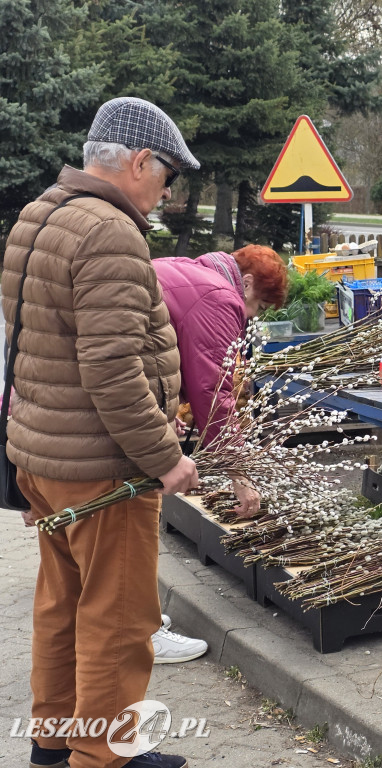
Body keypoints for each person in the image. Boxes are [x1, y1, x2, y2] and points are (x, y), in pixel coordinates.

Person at [2, 97, 201, 768]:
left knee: (63, 606)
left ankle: (54, 745)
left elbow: (29, 344)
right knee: (119, 622)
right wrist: (166, 458)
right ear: (140, 162)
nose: (167, 194)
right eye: (168, 177)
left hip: (46, 459)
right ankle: (104, 757)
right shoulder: (109, 231)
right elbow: (113, 372)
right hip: (103, 468)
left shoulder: (40, 214)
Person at [147, 244, 287, 665]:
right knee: (131, 524)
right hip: (117, 423)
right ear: (245, 284)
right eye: (259, 305)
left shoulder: (190, 269)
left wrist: (172, 405)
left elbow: (178, 351)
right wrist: (239, 474)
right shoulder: (220, 298)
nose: (254, 317)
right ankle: (140, 633)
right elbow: (215, 395)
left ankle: (137, 617)